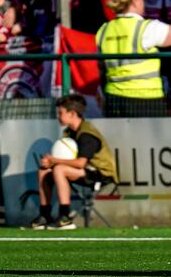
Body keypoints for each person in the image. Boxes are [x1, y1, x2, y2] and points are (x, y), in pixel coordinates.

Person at [30, 94, 118, 230]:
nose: (58, 116)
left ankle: (65, 217)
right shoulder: (69, 132)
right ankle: (45, 216)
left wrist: (55, 161)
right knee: (43, 171)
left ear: (72, 114)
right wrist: (49, 163)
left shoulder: (87, 134)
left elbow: (81, 163)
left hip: (100, 173)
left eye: (60, 113)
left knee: (59, 169)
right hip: (84, 170)